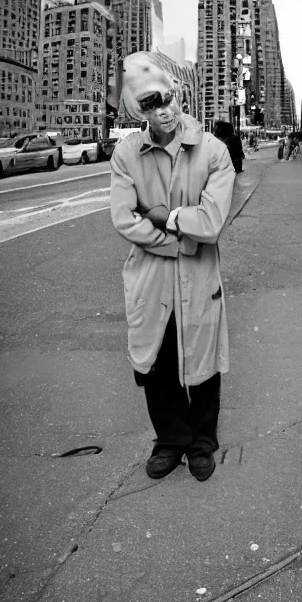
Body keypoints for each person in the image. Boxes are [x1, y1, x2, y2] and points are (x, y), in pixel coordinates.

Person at [110, 52, 236, 482]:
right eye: (149, 103)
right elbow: (124, 219)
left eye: (166, 97)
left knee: (201, 360)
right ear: (136, 111)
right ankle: (171, 440)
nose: (162, 108)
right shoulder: (127, 154)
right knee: (158, 362)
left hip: (199, 280)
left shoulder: (214, 151)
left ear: (178, 93)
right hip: (151, 279)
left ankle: (202, 441)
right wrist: (182, 242)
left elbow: (212, 223)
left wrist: (165, 216)